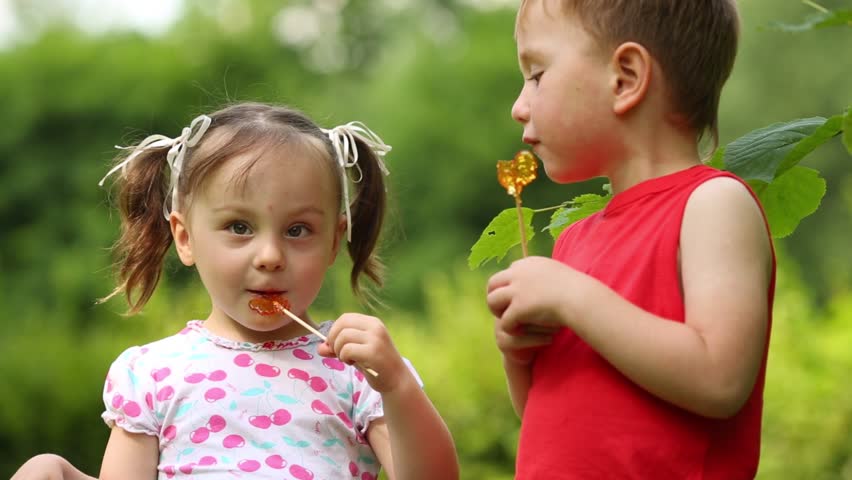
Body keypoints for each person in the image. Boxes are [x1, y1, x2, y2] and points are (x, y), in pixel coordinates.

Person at [13, 102, 459, 480]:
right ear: (185, 238)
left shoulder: (358, 374)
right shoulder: (152, 374)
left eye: (298, 229)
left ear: (333, 242)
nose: (270, 255)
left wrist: (397, 385)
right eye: (239, 227)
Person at [485, 1, 775, 478]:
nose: (518, 107)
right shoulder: (572, 242)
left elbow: (721, 380)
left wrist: (570, 296)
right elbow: (550, 418)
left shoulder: (713, 204)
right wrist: (519, 356)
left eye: (536, 74)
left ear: (625, 77)